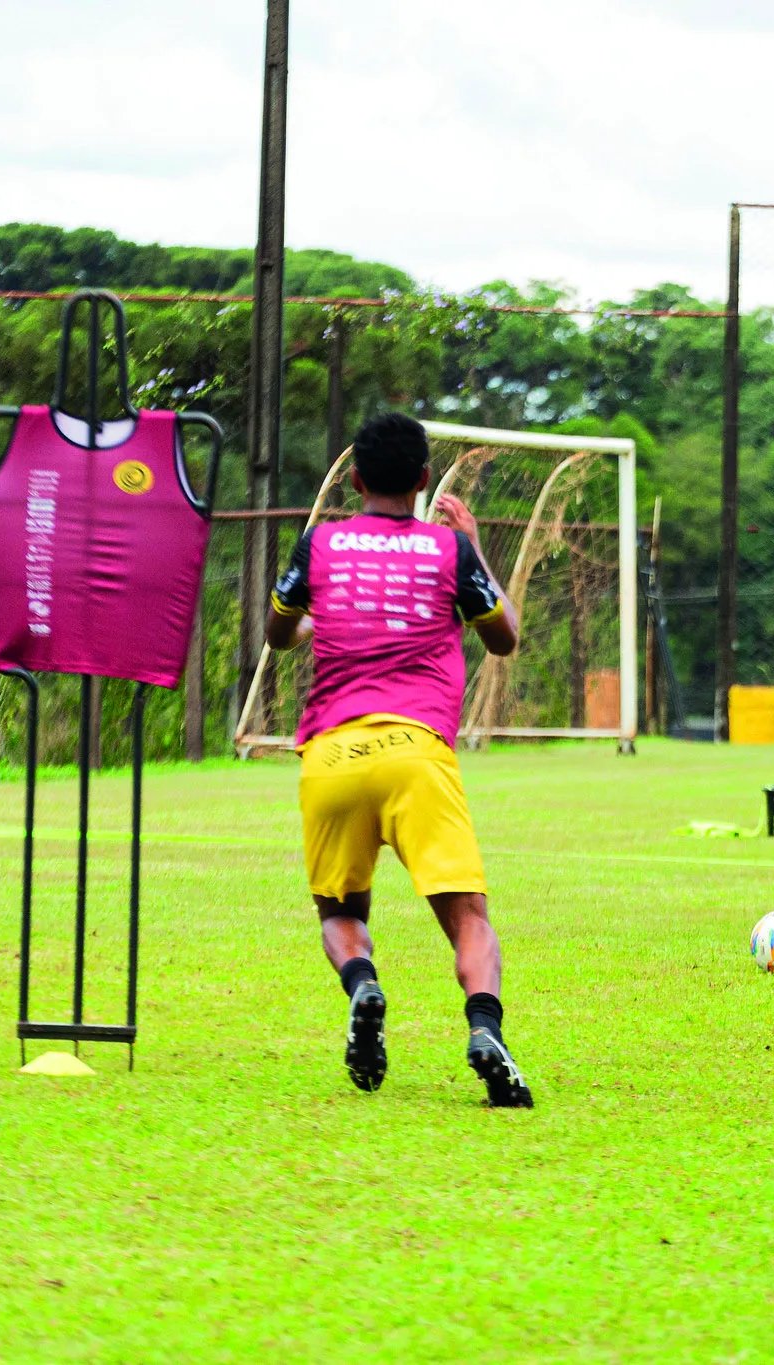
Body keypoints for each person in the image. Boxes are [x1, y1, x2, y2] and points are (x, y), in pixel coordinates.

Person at [265, 412, 532, 1107]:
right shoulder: (448, 550)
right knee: (467, 915)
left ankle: (363, 985)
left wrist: (311, 619)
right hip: (416, 751)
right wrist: (474, 547)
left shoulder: (318, 543)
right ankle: (484, 1028)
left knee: (339, 908)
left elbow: (277, 629)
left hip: (331, 752)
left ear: (353, 479)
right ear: (421, 479)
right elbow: (505, 637)